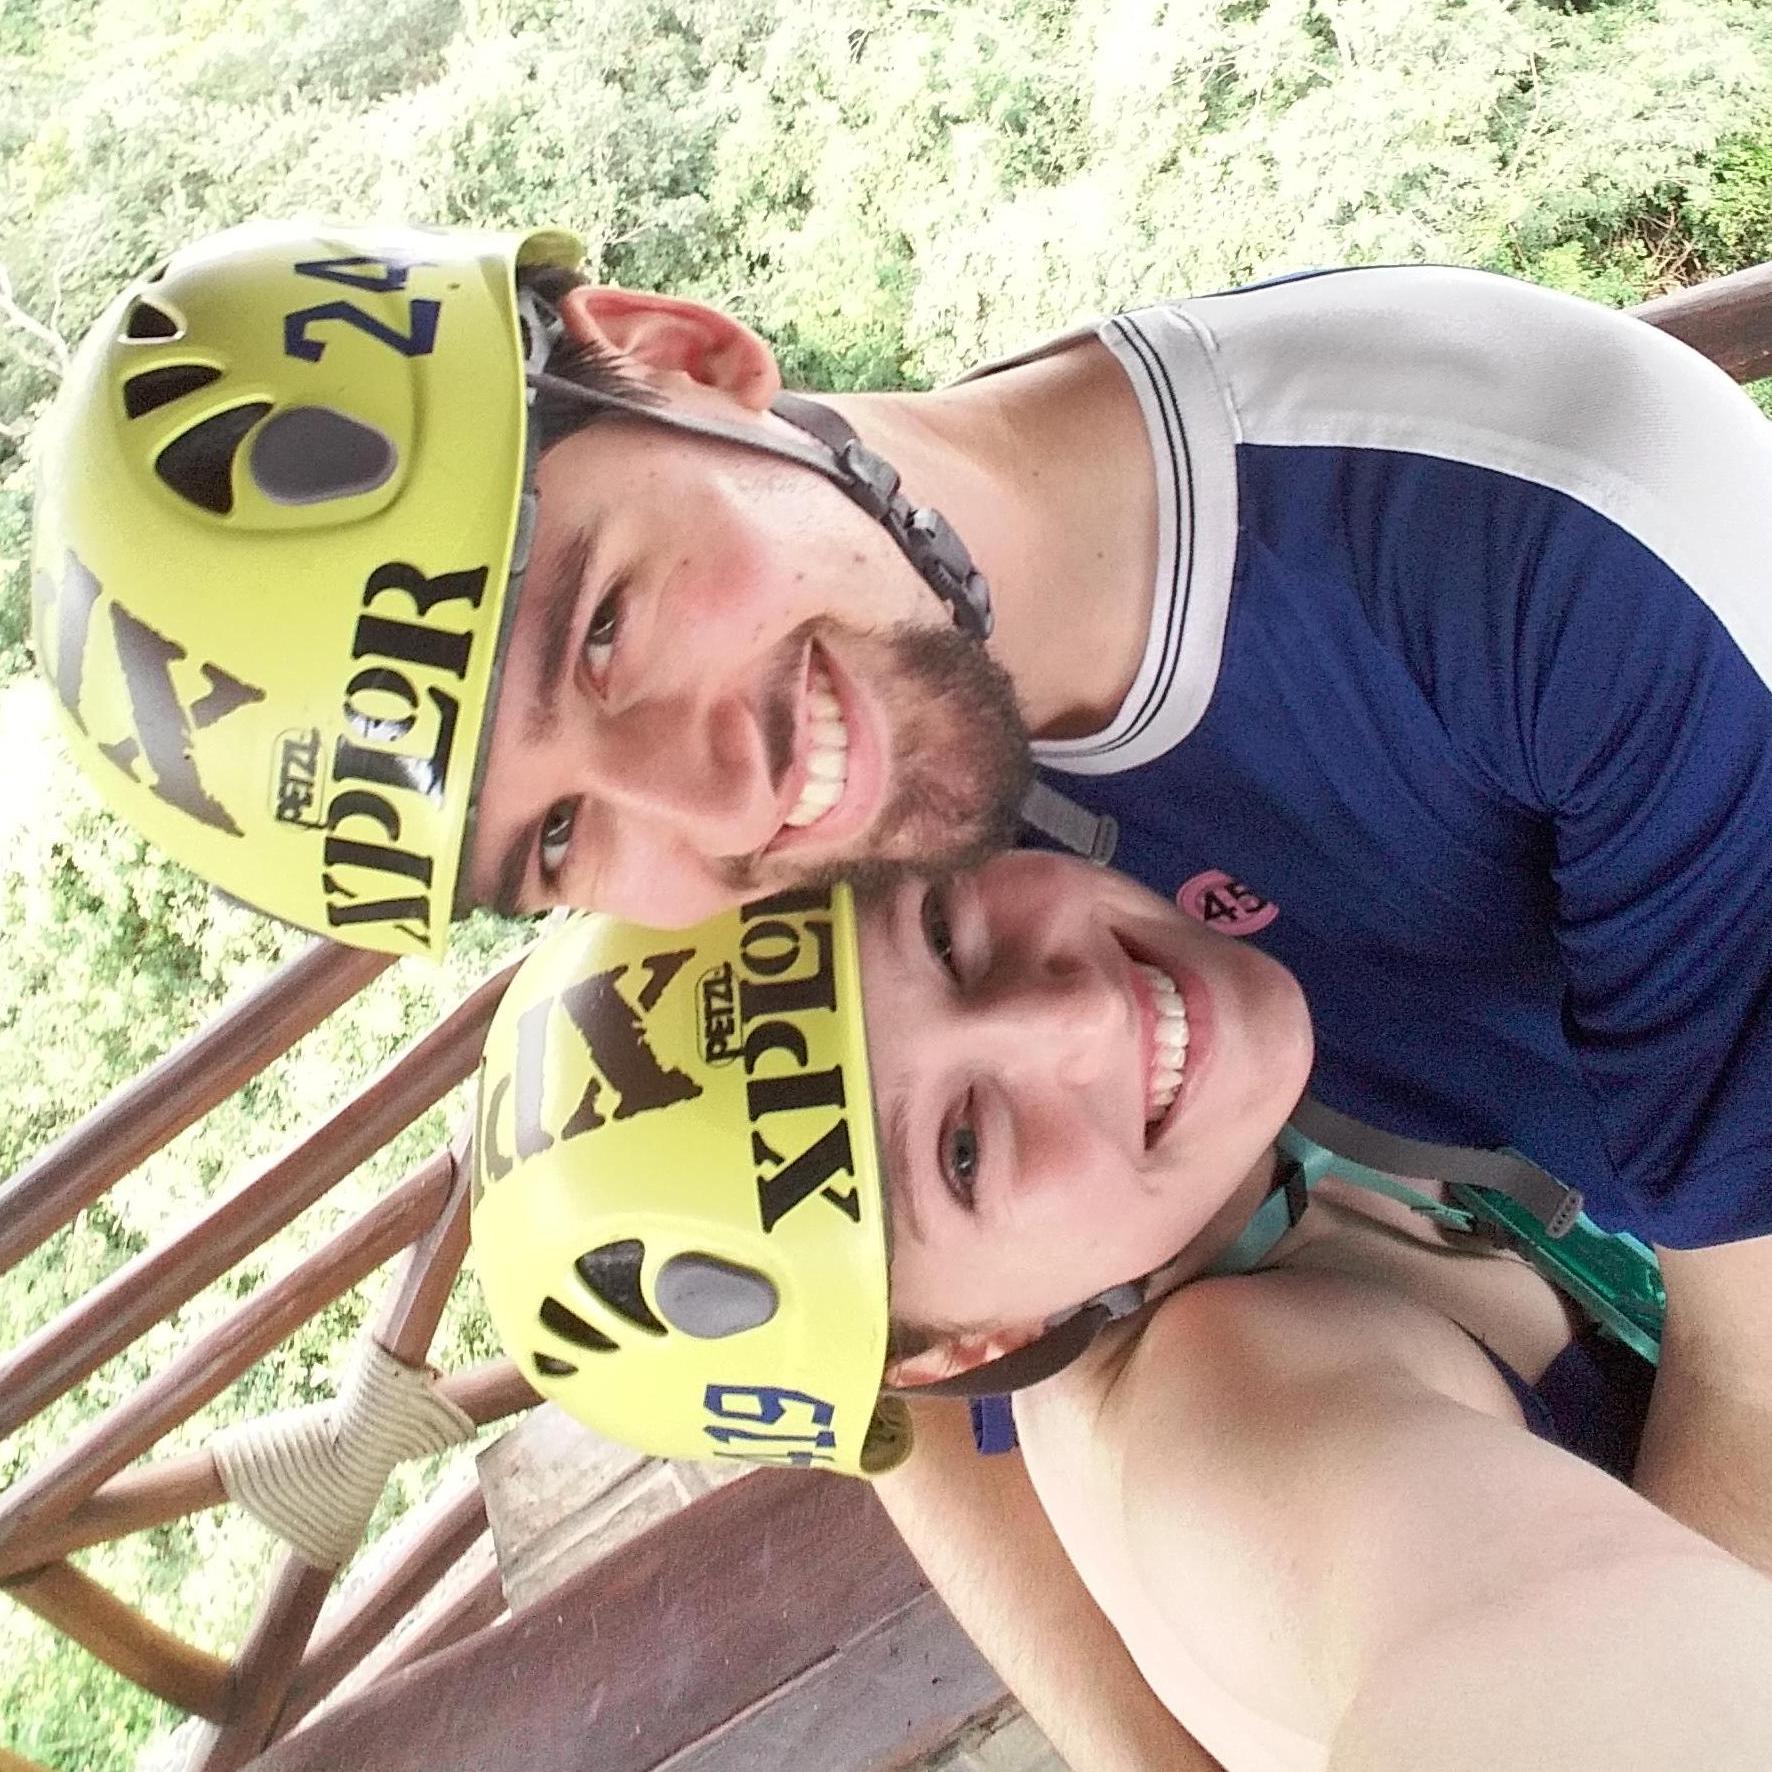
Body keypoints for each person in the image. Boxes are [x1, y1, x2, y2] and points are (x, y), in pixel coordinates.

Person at [30, 218, 1772, 1760]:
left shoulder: (1552, 546)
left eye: (604, 629)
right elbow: (870, 1320)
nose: (719, 810)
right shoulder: (867, 767)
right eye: (557, 839)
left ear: (691, 357)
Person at [469, 858, 1772, 1772]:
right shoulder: (1238, 1419)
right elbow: (1511, 1649)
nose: (1077, 1012)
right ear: (969, 1348)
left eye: (941, 938)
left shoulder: (1110, 1281)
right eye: (965, 1151)